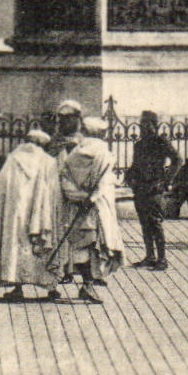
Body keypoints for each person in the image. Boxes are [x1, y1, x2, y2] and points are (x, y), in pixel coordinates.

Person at [47, 116, 124, 304]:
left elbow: (64, 177)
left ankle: (84, 283)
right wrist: (92, 198)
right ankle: (87, 285)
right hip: (94, 207)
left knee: (83, 244)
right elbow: (105, 183)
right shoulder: (102, 152)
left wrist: (77, 196)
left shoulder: (77, 152)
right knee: (91, 245)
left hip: (77, 205)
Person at [0, 129, 61, 302]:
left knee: (15, 247)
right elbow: (54, 190)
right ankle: (50, 286)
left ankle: (17, 287)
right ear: (42, 144)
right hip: (40, 213)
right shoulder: (48, 161)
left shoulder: (13, 159)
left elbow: (0, 185)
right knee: (40, 246)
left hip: (16, 213)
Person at [125, 110, 180, 270]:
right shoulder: (139, 145)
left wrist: (165, 181)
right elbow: (135, 165)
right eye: (142, 124)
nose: (143, 128)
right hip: (140, 188)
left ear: (154, 126)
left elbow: (177, 160)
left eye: (147, 124)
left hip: (154, 188)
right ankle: (150, 256)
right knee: (144, 223)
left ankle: (162, 259)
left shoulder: (161, 142)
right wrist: (130, 177)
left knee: (155, 222)